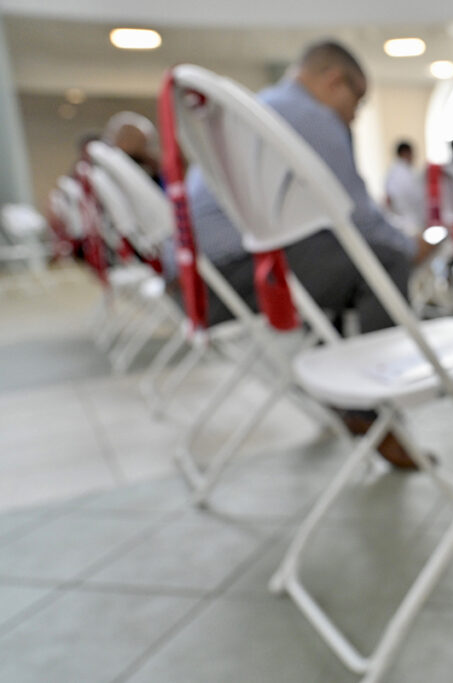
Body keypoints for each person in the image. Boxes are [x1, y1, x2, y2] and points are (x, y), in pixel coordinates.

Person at [182, 40, 434, 468]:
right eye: (357, 101)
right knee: (384, 261)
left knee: (342, 266)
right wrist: (414, 246)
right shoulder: (309, 116)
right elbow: (356, 216)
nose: (355, 116)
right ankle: (372, 412)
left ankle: (341, 393)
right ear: (334, 81)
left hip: (201, 280)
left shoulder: (255, 110)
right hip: (236, 276)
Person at [103, 111, 161, 184]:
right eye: (124, 136)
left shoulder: (154, 172)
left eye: (136, 137)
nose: (129, 142)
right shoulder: (105, 171)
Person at [384, 139, 426, 237]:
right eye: (412, 154)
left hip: (403, 221)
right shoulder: (404, 174)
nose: (413, 157)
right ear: (405, 153)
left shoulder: (393, 173)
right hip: (409, 222)